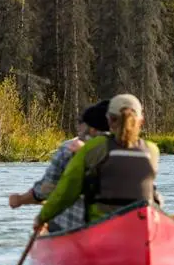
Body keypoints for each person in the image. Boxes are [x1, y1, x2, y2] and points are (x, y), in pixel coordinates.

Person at [33, 93, 162, 235]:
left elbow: (66, 193)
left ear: (110, 120)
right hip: (141, 229)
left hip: (101, 228)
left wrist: (42, 218)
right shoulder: (152, 151)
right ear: (141, 122)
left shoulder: (94, 147)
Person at [8, 99, 110, 235]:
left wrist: (20, 200)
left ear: (91, 127)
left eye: (81, 122)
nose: (78, 127)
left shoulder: (69, 149)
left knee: (48, 223)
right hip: (124, 225)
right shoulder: (138, 149)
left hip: (77, 226)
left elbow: (45, 190)